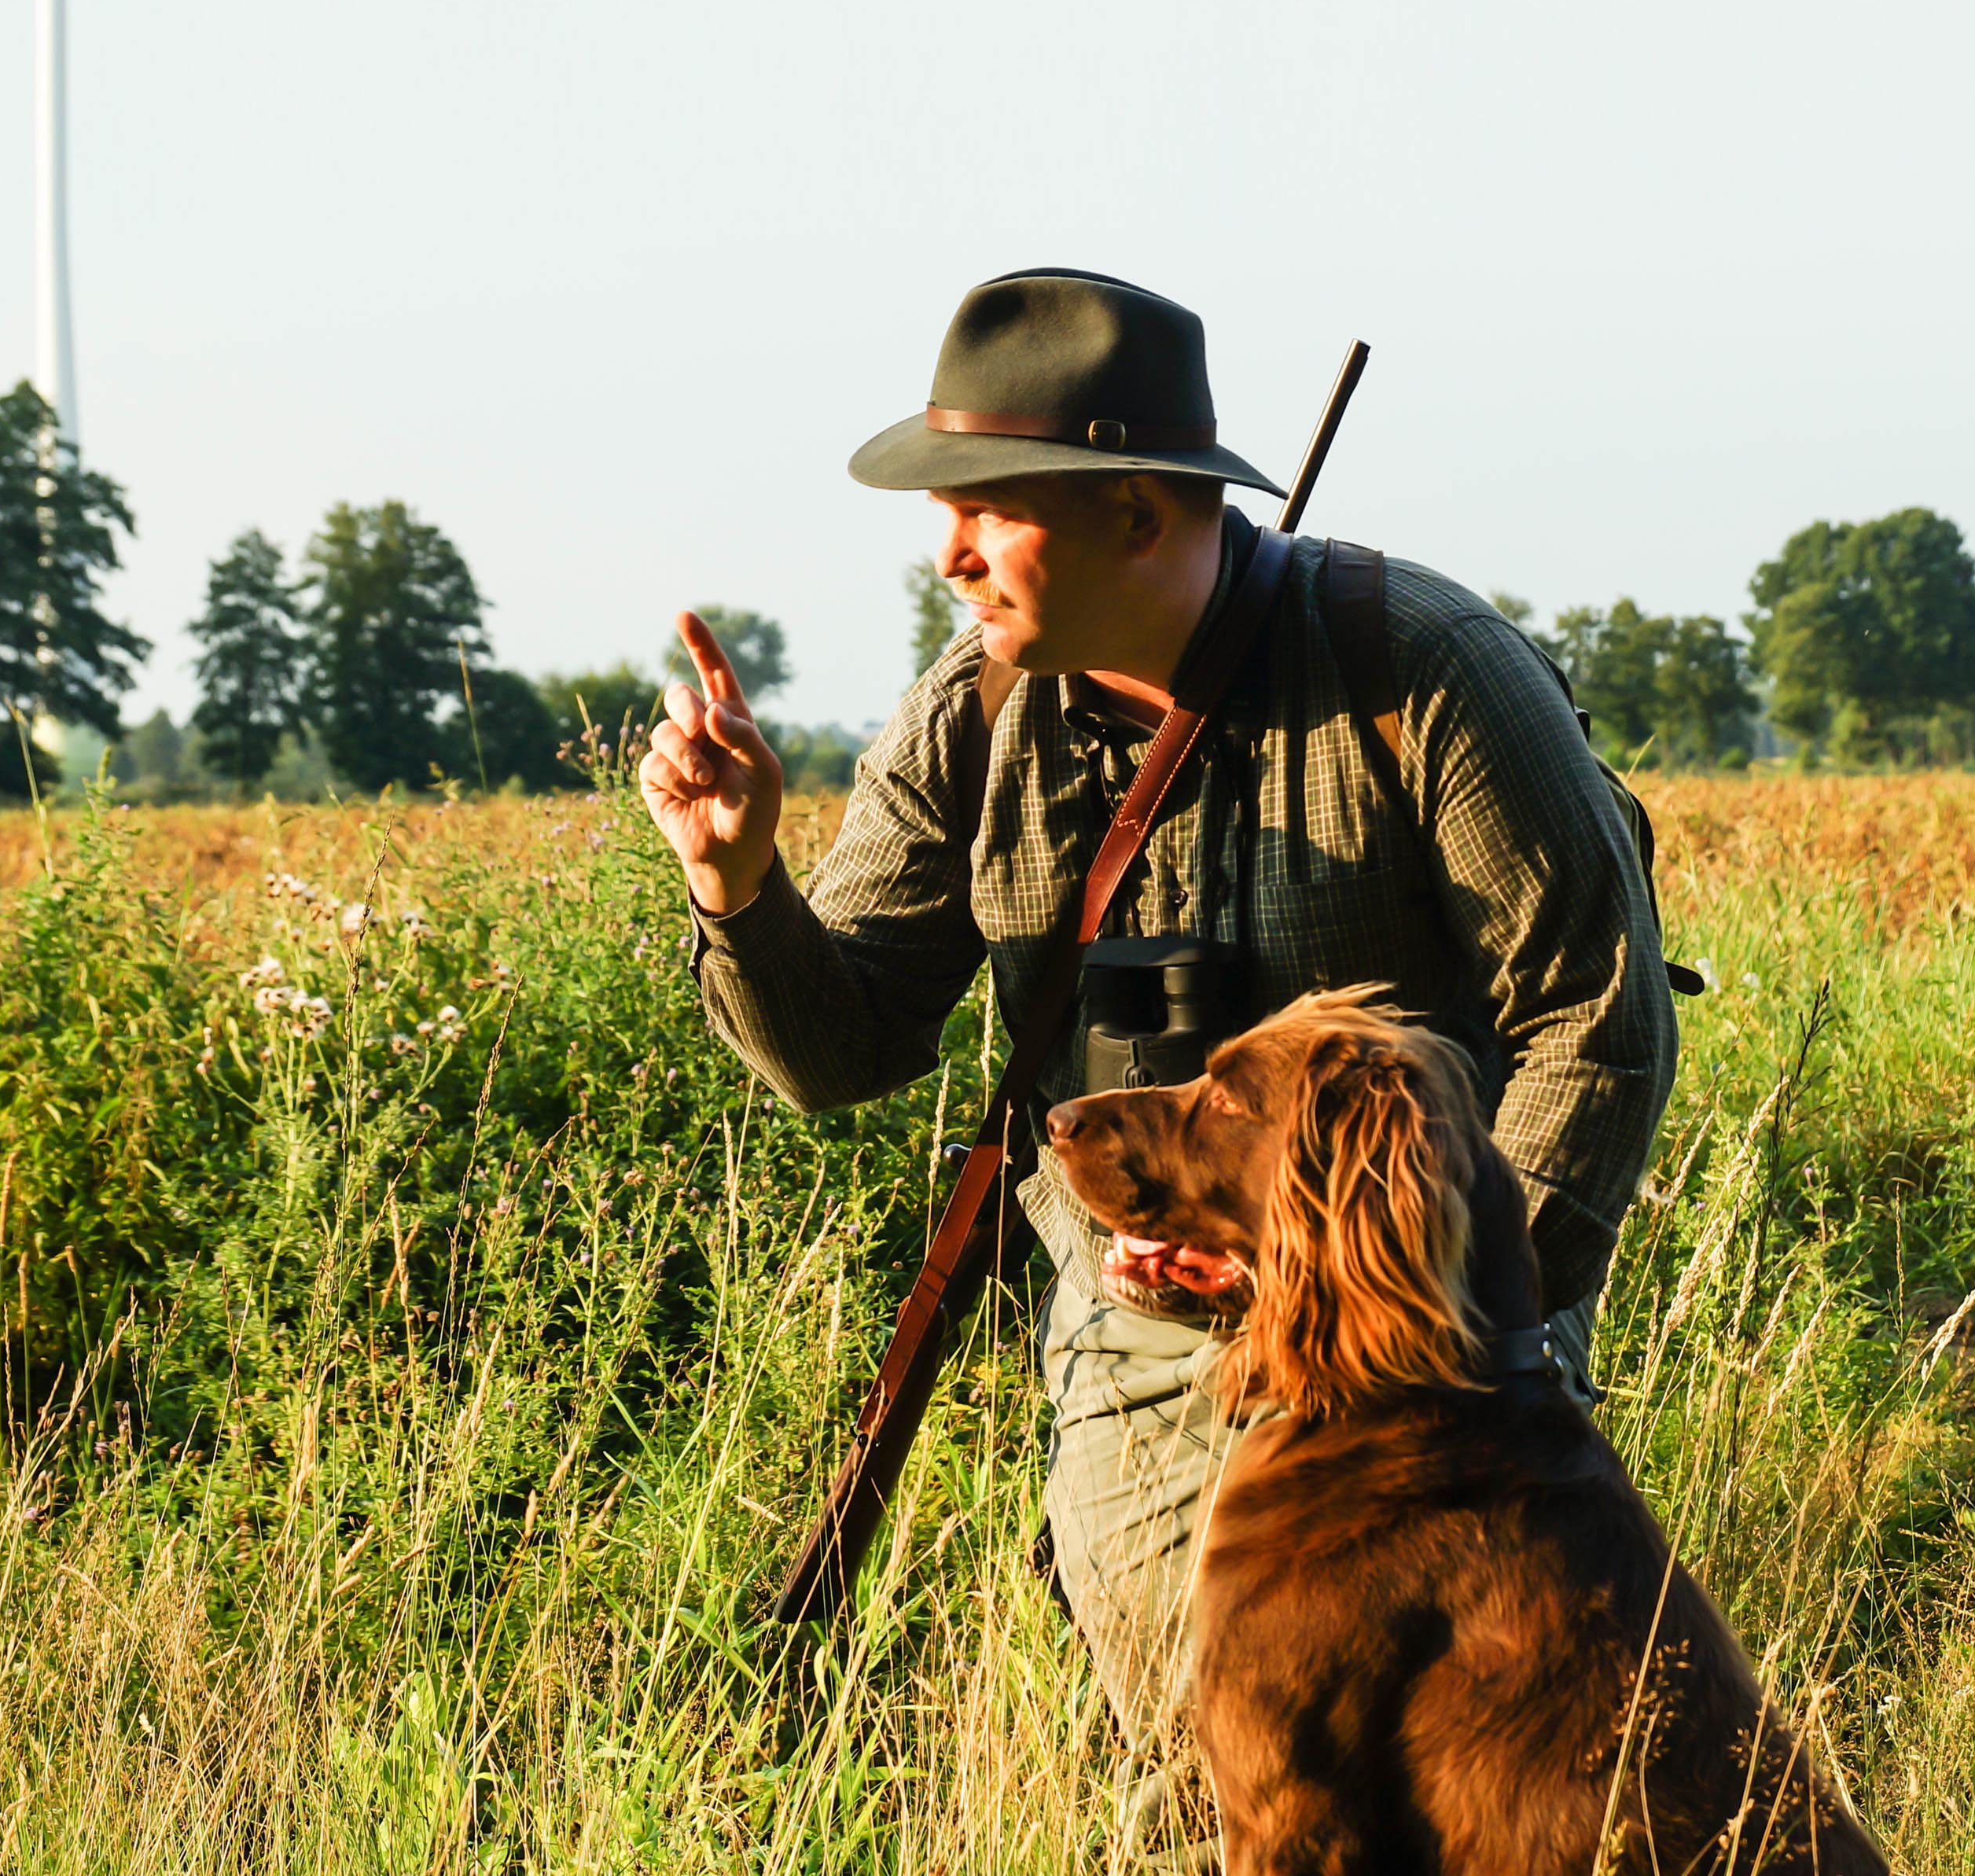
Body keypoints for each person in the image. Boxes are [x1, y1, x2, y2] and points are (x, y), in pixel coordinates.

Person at [640, 268, 1674, 1841]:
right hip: (1140, 1356)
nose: (952, 551)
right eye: (947, 510)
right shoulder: (965, 724)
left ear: (1136, 513)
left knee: (1494, 1803)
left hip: (1433, 1357)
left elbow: (1593, 1023)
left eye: (991, 505)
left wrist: (1455, 1323)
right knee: (1220, 1797)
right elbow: (843, 1042)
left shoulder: (1432, 675)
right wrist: (737, 878)